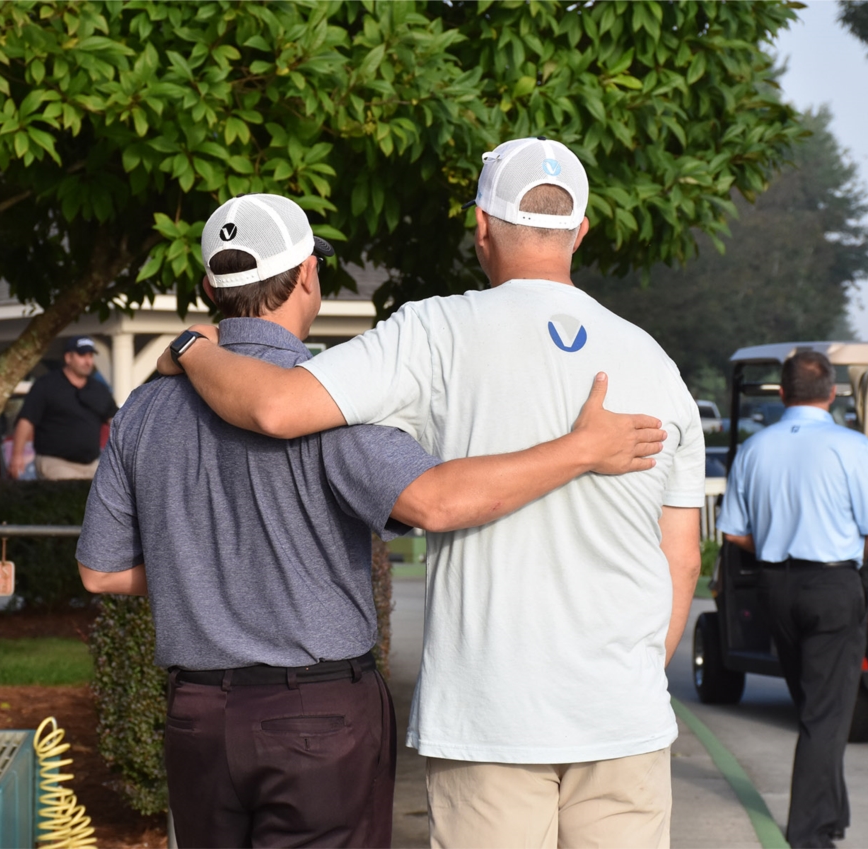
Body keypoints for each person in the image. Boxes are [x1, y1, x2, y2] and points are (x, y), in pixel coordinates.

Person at [158, 139, 705, 848]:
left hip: (491, 715)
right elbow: (681, 558)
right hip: (622, 719)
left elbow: (275, 409)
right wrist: (624, 678)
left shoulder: (434, 331)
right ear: (582, 230)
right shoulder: (654, 362)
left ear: (480, 226)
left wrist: (191, 349)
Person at [718, 350, 868, 849]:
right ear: (832, 392)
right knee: (825, 712)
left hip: (777, 586)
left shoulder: (754, 448)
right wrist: (842, 550)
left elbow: (733, 533)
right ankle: (811, 834)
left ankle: (831, 813)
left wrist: (777, 540)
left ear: (781, 392)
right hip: (833, 584)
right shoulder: (851, 446)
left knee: (816, 708)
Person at [9, 336, 117, 480]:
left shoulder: (99, 389)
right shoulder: (46, 385)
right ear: (68, 357)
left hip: (91, 464)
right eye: (82, 355)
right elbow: (26, 420)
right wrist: (17, 456)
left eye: (90, 356)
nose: (88, 361)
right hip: (55, 463)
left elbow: (116, 420)